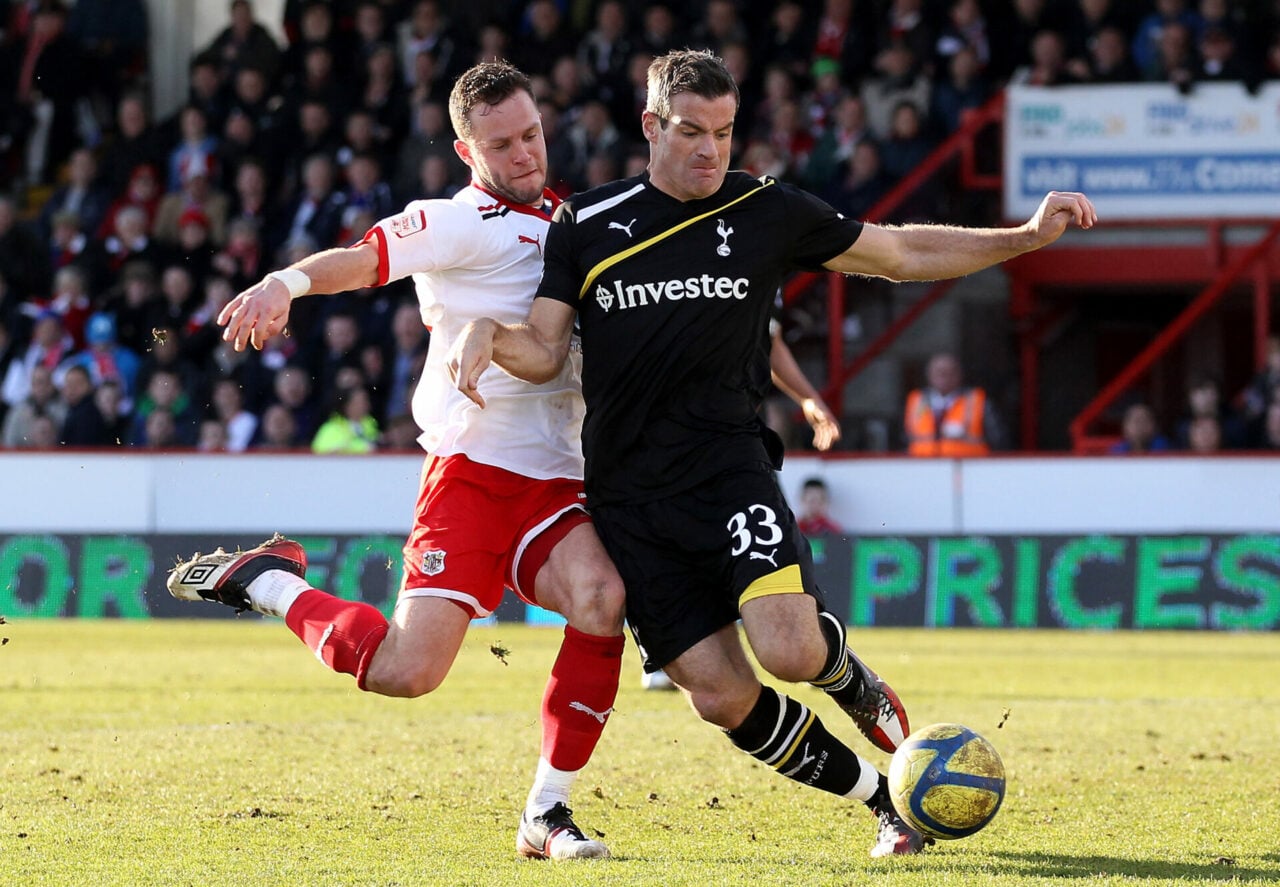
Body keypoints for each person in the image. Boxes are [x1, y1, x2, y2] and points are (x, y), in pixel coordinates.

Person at [449, 49, 1096, 858]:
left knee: (789, 648)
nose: (710, 151)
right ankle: (884, 803)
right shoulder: (585, 223)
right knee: (721, 696)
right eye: (690, 131)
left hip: (729, 473)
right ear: (652, 126)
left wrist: (1026, 238)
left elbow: (898, 254)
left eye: (723, 132)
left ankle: (847, 678)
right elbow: (545, 350)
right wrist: (485, 337)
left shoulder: (766, 209)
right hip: (630, 503)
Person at [164, 61, 625, 862]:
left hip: (556, 480)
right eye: (504, 144)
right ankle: (270, 581)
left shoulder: (574, 221)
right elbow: (365, 256)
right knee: (407, 672)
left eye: (532, 136)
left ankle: (547, 811)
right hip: (472, 475)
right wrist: (284, 283)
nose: (525, 155)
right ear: (464, 149)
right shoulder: (457, 221)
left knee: (600, 596)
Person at [904, 352, 1002, 456]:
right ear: (929, 374)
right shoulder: (917, 400)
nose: (943, 377)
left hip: (967, 466)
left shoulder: (975, 400)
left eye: (949, 372)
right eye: (938, 372)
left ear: (959, 374)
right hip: (921, 466)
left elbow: (997, 439)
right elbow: (905, 438)